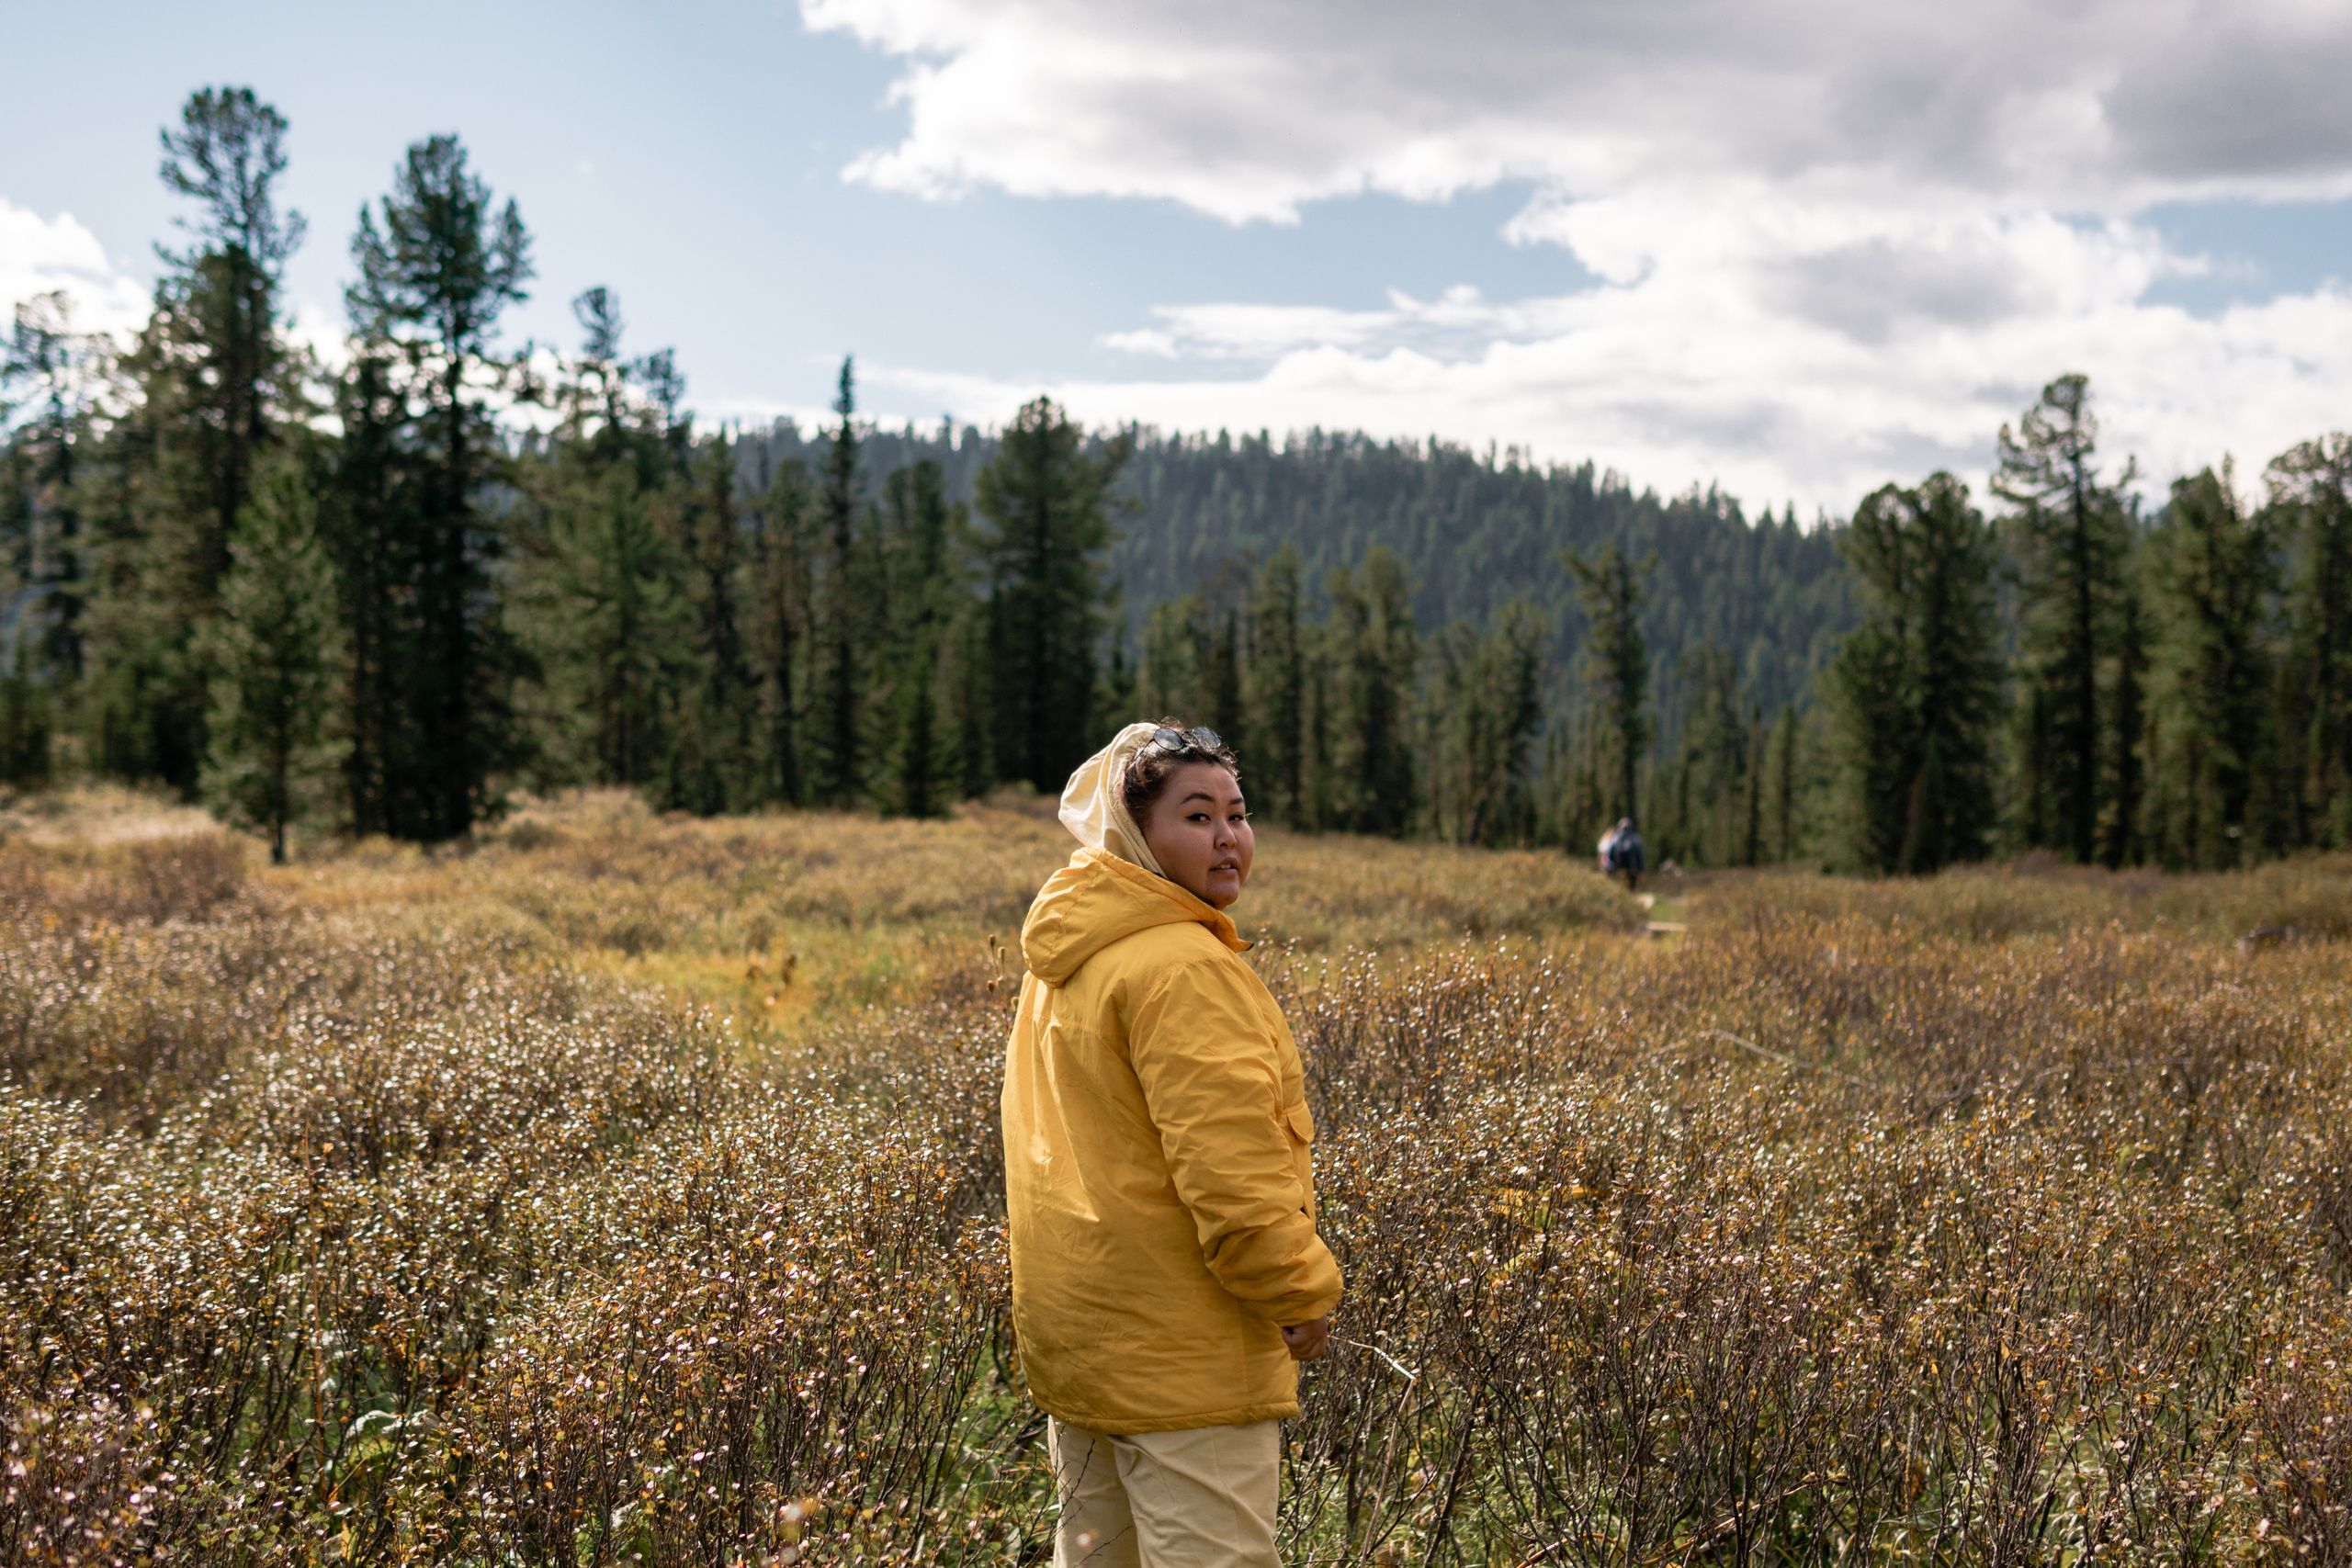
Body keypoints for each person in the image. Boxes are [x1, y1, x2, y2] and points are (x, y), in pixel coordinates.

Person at [1003, 719, 1344, 1568]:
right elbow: (1230, 1172)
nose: (1229, 837)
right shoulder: (1182, 967)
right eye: (1196, 817)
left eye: (1238, 811)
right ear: (1136, 833)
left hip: (1087, 1345)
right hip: (1188, 1360)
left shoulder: (1073, 952)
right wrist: (1298, 1288)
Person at [1605, 816, 1645, 894]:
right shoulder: (1635, 838)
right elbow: (1640, 855)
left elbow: (1609, 853)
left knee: (1617, 888)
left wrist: (1609, 868)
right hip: (1631, 869)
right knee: (1630, 890)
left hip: (1617, 868)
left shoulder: (1614, 837)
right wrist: (1641, 869)